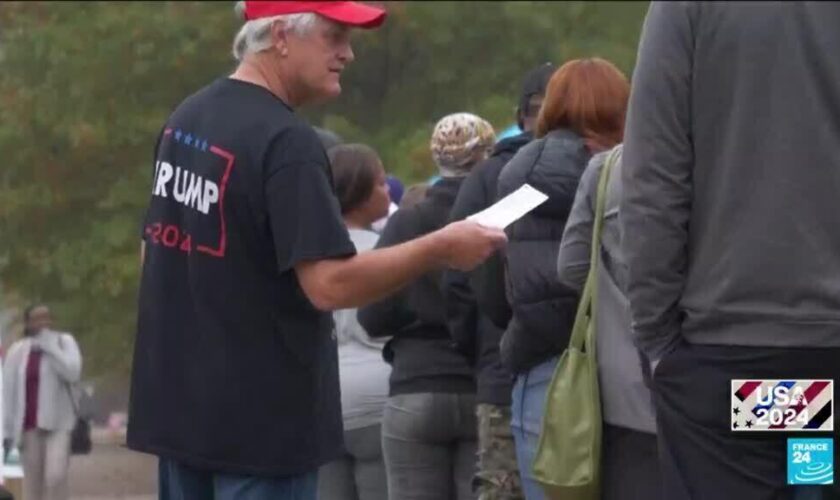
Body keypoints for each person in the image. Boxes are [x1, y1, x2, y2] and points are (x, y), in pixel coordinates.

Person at [128, 2, 507, 499]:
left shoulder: (186, 118)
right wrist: (440, 246)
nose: (347, 54)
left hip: (180, 413)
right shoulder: (287, 142)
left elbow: (152, 254)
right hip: (262, 427)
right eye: (334, 36)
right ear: (282, 35)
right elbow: (330, 284)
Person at [621, 3, 840, 499]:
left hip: (735, 355)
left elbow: (654, 181)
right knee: (811, 471)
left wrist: (658, 337)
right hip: (791, 357)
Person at [496, 58, 629, 500]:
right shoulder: (632, 173)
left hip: (542, 369)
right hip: (624, 369)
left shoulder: (509, 178)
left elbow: (480, 275)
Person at [358, 113, 496, 500]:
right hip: (478, 385)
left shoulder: (408, 220)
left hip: (414, 386)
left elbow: (372, 315)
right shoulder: (496, 215)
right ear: (488, 153)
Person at [442, 62, 555, 500]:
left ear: (519, 114)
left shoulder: (490, 176)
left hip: (504, 371)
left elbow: (460, 277)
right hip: (602, 379)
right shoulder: (612, 166)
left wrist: (486, 347)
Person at [556, 145, 660, 499]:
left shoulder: (608, 168)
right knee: (807, 475)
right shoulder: (782, 154)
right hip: (786, 382)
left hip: (632, 396)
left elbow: (571, 268)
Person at [318, 144, 392, 500]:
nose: (388, 190)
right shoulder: (387, 254)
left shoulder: (308, 257)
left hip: (323, 402)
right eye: (380, 183)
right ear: (359, 193)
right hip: (379, 399)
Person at [4, 304, 82, 500]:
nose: (43, 322)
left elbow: (73, 373)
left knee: (55, 476)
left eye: (46, 317)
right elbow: (8, 393)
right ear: (28, 323)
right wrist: (7, 432)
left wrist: (50, 347)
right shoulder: (18, 351)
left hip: (60, 424)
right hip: (29, 427)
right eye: (37, 318)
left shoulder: (65, 342)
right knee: (33, 485)